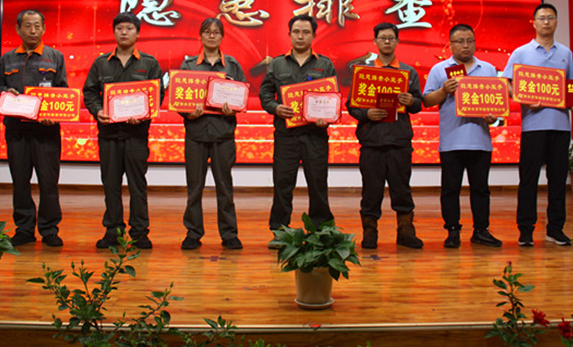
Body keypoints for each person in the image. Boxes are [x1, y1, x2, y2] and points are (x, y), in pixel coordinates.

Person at [83, 12, 163, 249]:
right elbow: (89, 92)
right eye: (120, 28)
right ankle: (113, 231)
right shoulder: (101, 63)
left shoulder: (149, 63)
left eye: (129, 28)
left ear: (137, 33)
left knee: (138, 186)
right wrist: (97, 111)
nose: (124, 32)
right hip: (109, 135)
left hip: (136, 135)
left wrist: (144, 114)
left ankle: (140, 232)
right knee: (111, 185)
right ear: (114, 32)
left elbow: (157, 94)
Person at [259, 13, 337, 248]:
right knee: (283, 184)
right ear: (289, 34)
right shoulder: (277, 64)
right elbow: (265, 94)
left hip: (315, 135)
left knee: (318, 184)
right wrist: (275, 107)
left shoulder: (325, 64)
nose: (300, 36)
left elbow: (333, 98)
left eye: (305, 32)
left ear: (313, 35)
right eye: (296, 32)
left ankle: (321, 231)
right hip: (286, 135)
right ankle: (279, 231)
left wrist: (326, 118)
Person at [0, 10, 67, 248]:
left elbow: (63, 91)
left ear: (44, 29)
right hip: (17, 130)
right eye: (27, 26)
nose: (33, 30)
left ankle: (49, 229)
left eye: (37, 26)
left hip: (46, 131)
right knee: (20, 181)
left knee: (48, 182)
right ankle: (24, 229)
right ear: (18, 29)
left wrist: (54, 115)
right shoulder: (7, 59)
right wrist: (6, 92)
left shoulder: (55, 57)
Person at [503, 4, 573, 247]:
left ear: (557, 22)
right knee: (529, 179)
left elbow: (572, 86)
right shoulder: (521, 53)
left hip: (560, 125)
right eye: (542, 18)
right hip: (533, 126)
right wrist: (521, 98)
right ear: (534, 23)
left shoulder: (565, 53)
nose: (546, 22)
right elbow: (506, 83)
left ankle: (555, 229)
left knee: (558, 180)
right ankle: (525, 230)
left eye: (551, 18)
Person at [422, 24, 502, 248]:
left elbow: (497, 108)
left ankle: (481, 230)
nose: (466, 45)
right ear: (450, 44)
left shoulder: (488, 69)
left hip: (480, 140)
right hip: (451, 141)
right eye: (460, 41)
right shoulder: (440, 69)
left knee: (481, 189)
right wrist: (444, 90)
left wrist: (493, 117)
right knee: (450, 189)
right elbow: (426, 101)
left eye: (470, 41)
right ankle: (452, 231)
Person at [346, 22, 424, 249]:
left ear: (397, 41)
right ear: (375, 42)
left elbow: (419, 104)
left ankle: (406, 232)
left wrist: (411, 101)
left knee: (402, 189)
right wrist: (367, 113)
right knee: (371, 190)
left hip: (399, 140)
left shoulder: (408, 72)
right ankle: (370, 233)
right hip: (372, 140)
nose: (387, 41)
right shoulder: (364, 72)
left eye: (391, 38)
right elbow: (352, 105)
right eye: (382, 38)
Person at [179, 18, 246, 250]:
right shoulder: (189, 65)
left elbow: (241, 96)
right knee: (194, 188)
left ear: (222, 36)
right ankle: (193, 233)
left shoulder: (232, 65)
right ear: (200, 35)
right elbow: (179, 97)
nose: (211, 36)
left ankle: (229, 234)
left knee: (224, 187)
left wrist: (233, 108)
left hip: (223, 135)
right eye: (207, 32)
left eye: (216, 32)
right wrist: (188, 113)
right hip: (196, 135)